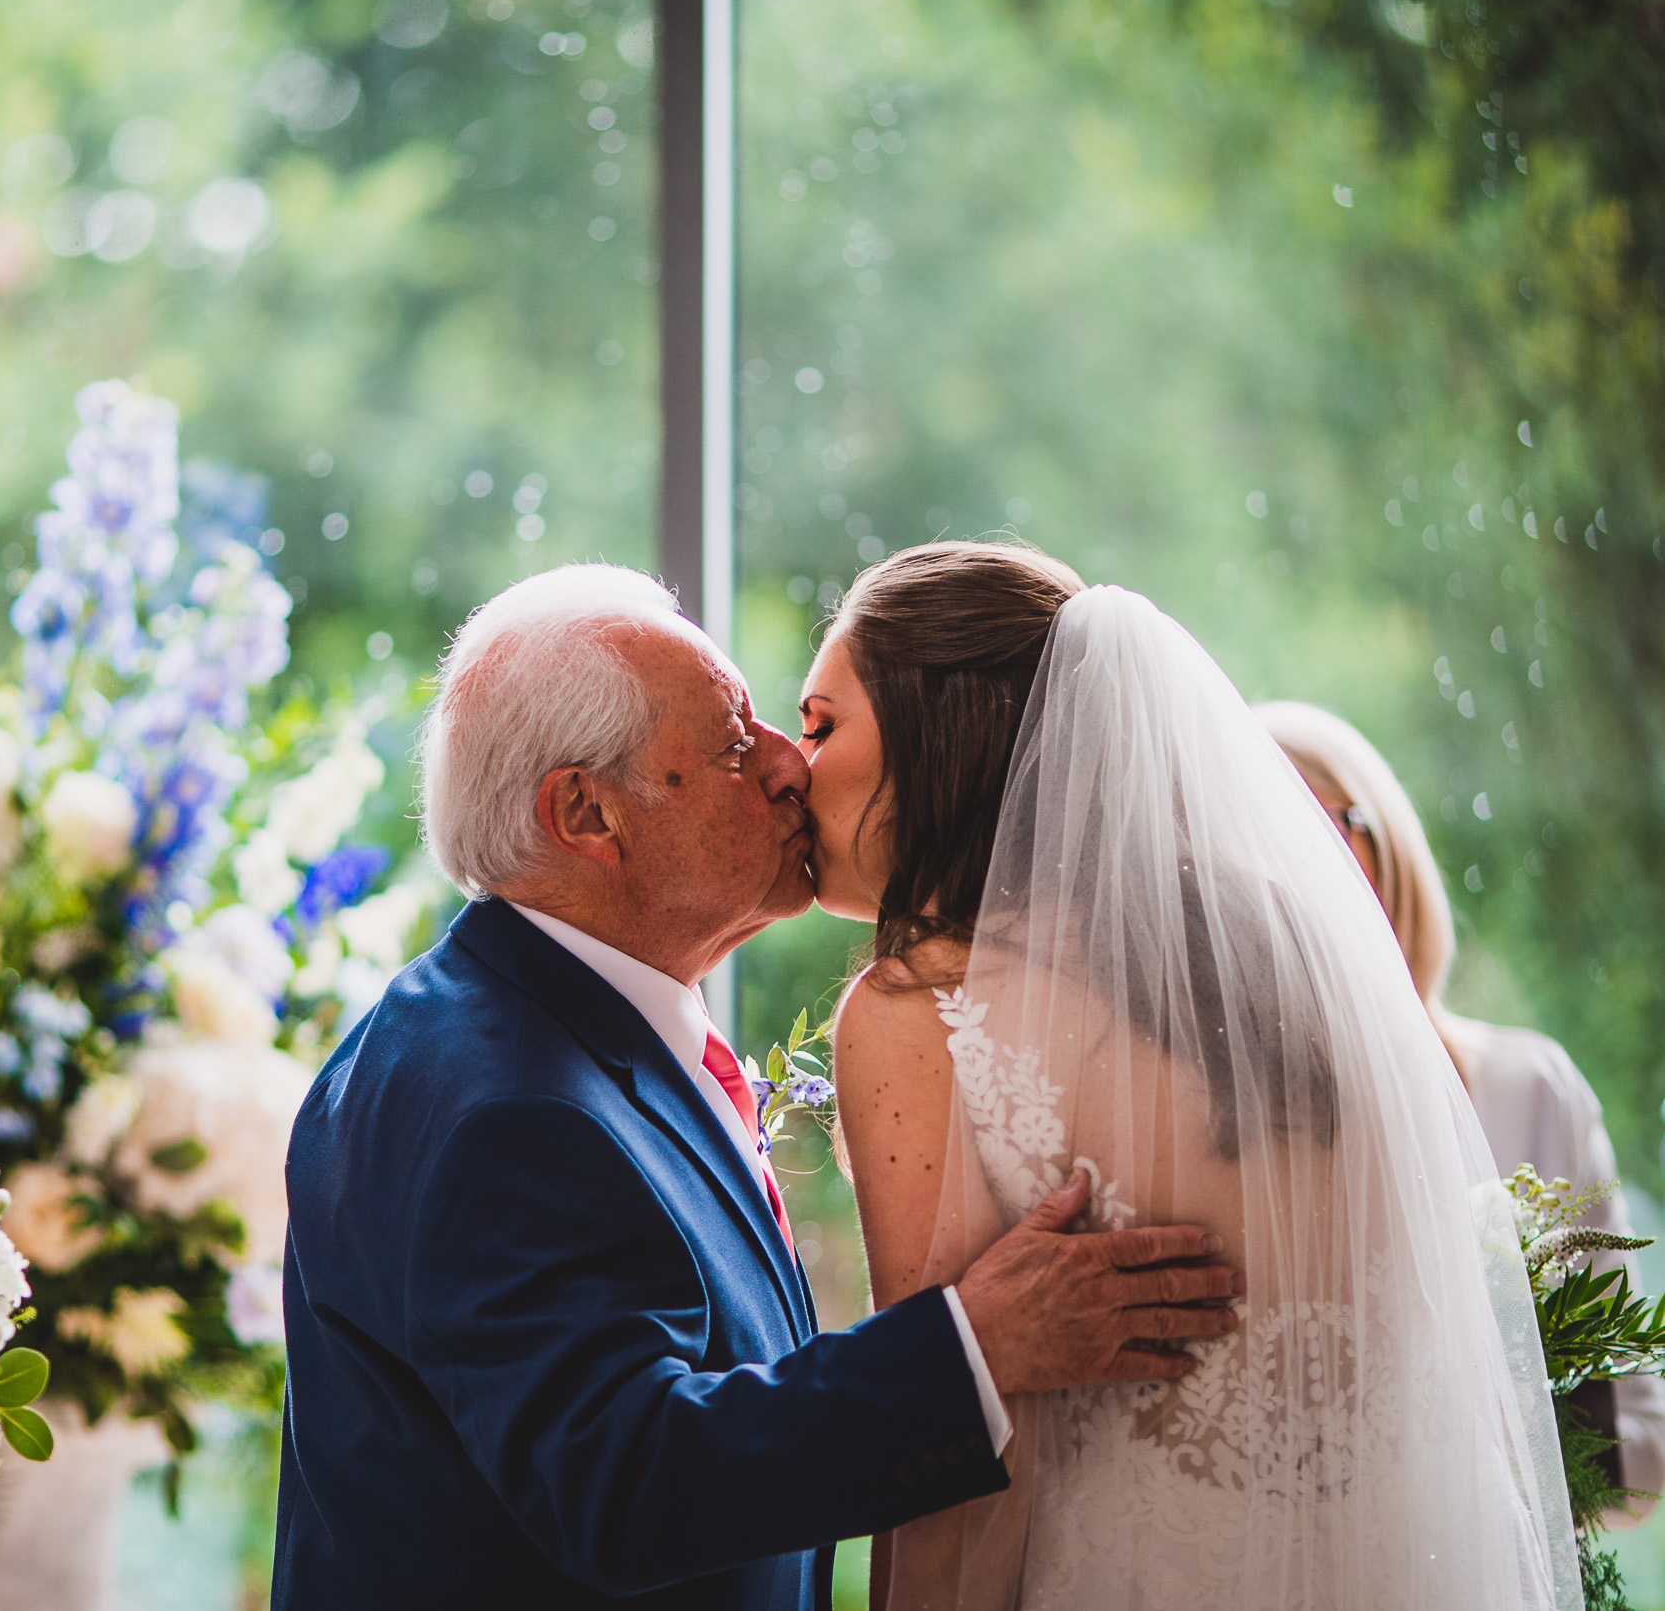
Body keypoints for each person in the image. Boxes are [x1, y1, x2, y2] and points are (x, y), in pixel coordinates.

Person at [276, 564, 1247, 1611]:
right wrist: (974, 1346)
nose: (792, 767)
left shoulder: (561, 1027)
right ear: (585, 811)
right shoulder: (500, 1103)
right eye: (737, 743)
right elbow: (623, 1479)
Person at [810, 542, 1576, 1610]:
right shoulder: (1288, 959)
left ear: (937, 731)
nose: (792, 766)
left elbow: (962, 1448)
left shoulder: (920, 1011)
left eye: (820, 723)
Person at [1259, 697, 1665, 1525]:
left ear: (1388, 845)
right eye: (1258, 834)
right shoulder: (1212, 1130)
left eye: (1324, 822)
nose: (1301, 863)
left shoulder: (1529, 1089)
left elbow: (1637, 1448)